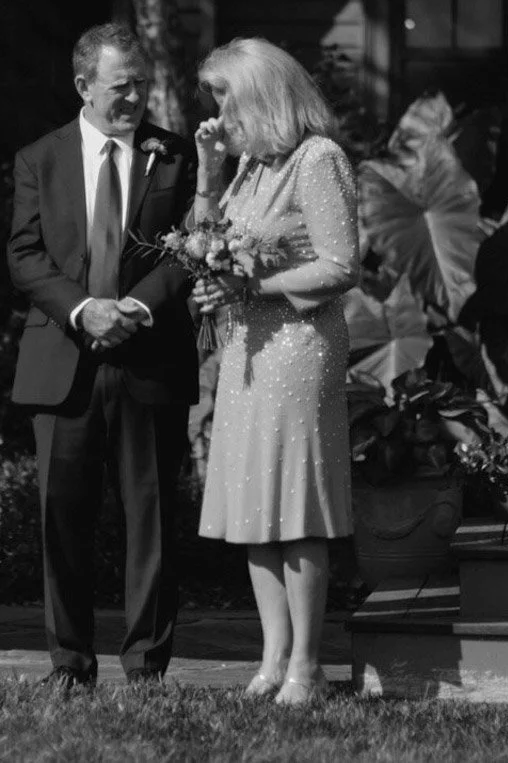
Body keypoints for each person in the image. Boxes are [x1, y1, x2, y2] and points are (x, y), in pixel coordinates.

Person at [7, 21, 199, 690]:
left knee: (151, 520)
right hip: (63, 365)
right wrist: (86, 309)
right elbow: (24, 256)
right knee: (62, 522)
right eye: (122, 86)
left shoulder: (175, 156)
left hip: (149, 362)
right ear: (84, 85)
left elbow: (189, 251)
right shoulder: (40, 158)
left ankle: (146, 664)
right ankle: (69, 664)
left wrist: (135, 308)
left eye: (142, 83)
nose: (136, 97)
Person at [190, 37, 360, 706]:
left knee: (294, 505)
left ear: (259, 94)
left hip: (298, 348)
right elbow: (204, 249)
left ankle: (308, 665)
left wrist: (250, 289)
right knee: (253, 506)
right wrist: (207, 177)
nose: (216, 110)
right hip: (244, 351)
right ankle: (272, 656)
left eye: (223, 95)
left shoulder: (318, 159)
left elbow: (341, 264)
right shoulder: (247, 170)